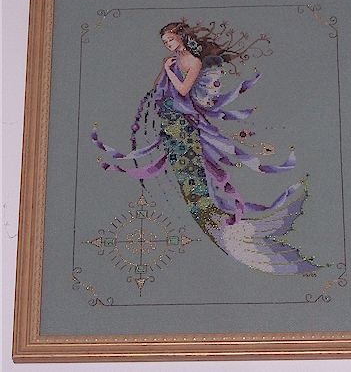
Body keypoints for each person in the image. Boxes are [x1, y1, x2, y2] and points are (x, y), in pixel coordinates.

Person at [92, 21, 327, 275]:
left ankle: (229, 226)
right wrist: (164, 68)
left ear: (181, 37)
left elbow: (183, 90)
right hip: (170, 123)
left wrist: (169, 71)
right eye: (165, 42)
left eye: (170, 40)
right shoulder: (172, 60)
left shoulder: (194, 62)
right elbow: (157, 86)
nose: (168, 45)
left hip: (183, 125)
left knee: (193, 181)